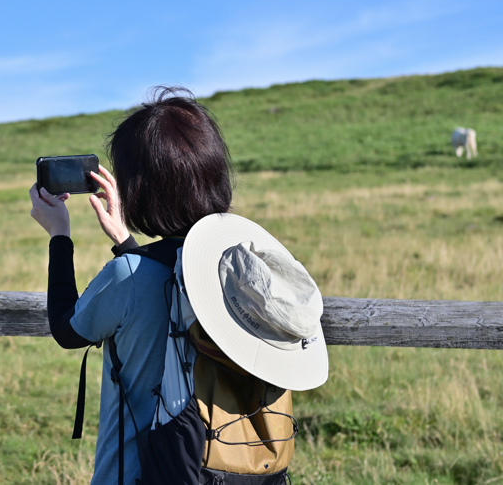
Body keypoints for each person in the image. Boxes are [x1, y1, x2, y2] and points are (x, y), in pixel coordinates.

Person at [29, 87, 327, 485]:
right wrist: (125, 242)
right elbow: (181, 275)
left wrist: (59, 234)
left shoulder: (130, 275)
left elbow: (68, 331)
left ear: (140, 190)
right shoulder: (243, 272)